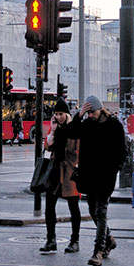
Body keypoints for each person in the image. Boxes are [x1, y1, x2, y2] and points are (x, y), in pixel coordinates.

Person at [67, 95, 127, 266]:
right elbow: (71, 133)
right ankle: (109, 239)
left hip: (106, 176)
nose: (90, 115)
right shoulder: (87, 124)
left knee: (101, 212)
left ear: (101, 109)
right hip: (89, 175)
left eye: (92, 112)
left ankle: (98, 251)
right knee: (92, 210)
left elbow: (122, 150)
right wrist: (79, 115)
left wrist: (115, 168)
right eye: (88, 113)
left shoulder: (114, 125)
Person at [40, 98, 81, 254]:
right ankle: (51, 240)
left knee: (73, 207)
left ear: (67, 114)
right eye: (56, 114)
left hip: (70, 172)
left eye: (61, 114)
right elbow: (47, 147)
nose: (58, 117)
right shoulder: (55, 129)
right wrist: (52, 131)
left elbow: (77, 150)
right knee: (49, 206)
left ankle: (75, 241)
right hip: (55, 171)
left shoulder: (73, 129)